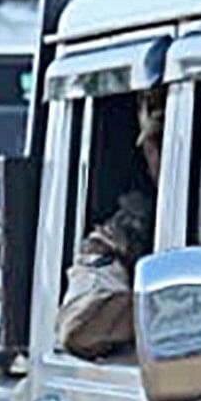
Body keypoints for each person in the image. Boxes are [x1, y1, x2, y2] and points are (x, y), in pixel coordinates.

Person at [54, 89, 167, 357]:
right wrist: (178, 311)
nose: (163, 160)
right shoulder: (131, 230)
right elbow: (79, 325)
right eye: (158, 146)